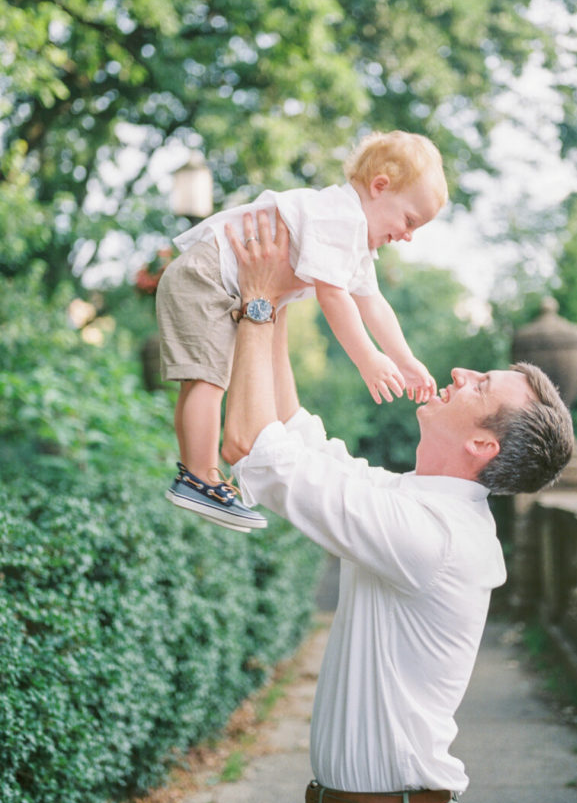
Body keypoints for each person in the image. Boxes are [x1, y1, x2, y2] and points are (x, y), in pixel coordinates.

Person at [220, 209, 575, 803]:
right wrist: (279, 301)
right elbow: (290, 435)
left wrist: (255, 303)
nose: (460, 373)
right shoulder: (416, 504)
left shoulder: (431, 537)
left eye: (481, 385)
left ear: (483, 446)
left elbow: (249, 444)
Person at [156, 131, 448, 532]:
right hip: (205, 277)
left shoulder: (356, 241)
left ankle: (200, 475)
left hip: (218, 282)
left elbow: (373, 303)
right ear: (380, 187)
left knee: (206, 380)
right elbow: (334, 297)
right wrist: (369, 360)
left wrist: (405, 360)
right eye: (409, 220)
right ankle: (198, 476)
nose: (408, 235)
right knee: (206, 380)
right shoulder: (339, 218)